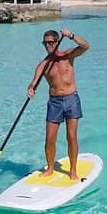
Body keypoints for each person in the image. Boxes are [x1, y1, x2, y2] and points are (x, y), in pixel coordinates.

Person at [27, 27, 89, 180]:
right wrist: (31, 89)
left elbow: (85, 46)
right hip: (54, 102)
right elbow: (33, 83)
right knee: (50, 139)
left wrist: (72, 36)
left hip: (71, 99)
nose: (48, 46)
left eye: (50, 43)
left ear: (56, 42)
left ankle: (73, 170)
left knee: (71, 137)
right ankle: (50, 168)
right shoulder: (43, 65)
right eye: (45, 43)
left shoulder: (68, 56)